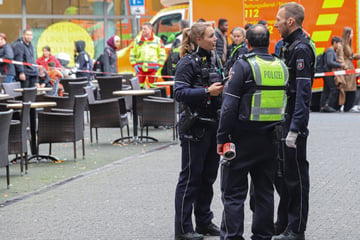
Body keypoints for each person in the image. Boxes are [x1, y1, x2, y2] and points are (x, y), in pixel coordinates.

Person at [217, 24, 288, 240]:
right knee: (265, 192)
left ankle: (233, 237)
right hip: (270, 140)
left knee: (233, 194)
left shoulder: (243, 65)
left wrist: (222, 137)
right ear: (269, 42)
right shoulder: (281, 66)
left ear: (247, 43)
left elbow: (229, 106)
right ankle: (263, 236)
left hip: (242, 138)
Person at [174, 22, 224, 240]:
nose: (216, 39)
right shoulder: (187, 62)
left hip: (212, 126)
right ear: (198, 40)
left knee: (208, 178)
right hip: (195, 128)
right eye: (212, 36)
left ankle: (203, 222)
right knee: (190, 178)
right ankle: (183, 229)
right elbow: (179, 92)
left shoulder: (214, 59)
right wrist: (206, 91)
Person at [273, 3, 316, 240]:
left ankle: (296, 229)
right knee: (282, 174)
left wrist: (296, 128)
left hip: (293, 123)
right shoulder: (286, 46)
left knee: (296, 177)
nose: (275, 23)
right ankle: (283, 222)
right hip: (282, 118)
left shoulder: (301, 49)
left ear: (291, 21)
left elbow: (303, 92)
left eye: (279, 19)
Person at [130, 22, 166, 88]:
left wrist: (159, 66)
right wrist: (134, 64)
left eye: (145, 29)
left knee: (154, 87)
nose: (143, 30)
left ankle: (154, 98)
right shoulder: (137, 40)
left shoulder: (157, 40)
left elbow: (162, 55)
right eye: (142, 29)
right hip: (140, 69)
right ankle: (140, 98)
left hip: (153, 70)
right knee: (138, 87)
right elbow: (132, 53)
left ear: (150, 29)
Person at [320, 36, 344, 112]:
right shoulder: (330, 51)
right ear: (335, 43)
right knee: (333, 89)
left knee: (326, 90)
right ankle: (328, 106)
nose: (340, 46)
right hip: (329, 73)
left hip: (327, 73)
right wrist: (340, 65)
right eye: (339, 44)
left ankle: (323, 106)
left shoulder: (330, 51)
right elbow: (329, 62)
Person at [340, 27, 360, 112]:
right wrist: (344, 65)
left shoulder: (347, 44)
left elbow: (351, 56)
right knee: (348, 88)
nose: (352, 35)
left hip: (350, 68)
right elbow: (341, 56)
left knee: (351, 88)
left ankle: (348, 106)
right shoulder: (343, 44)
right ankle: (346, 106)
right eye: (351, 33)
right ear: (347, 34)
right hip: (347, 69)